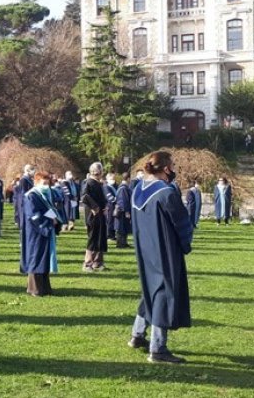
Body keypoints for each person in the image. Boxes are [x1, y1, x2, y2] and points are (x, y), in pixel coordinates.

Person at [128, 151, 193, 364]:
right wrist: (185, 244)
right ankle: (158, 348)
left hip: (145, 250)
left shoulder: (138, 190)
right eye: (172, 165)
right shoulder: (166, 193)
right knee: (164, 293)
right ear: (165, 168)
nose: (173, 169)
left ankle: (137, 335)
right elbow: (182, 223)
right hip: (165, 250)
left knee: (151, 289)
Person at [21, 171, 61, 297]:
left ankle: (45, 287)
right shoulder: (31, 196)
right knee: (36, 257)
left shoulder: (44, 195)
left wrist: (55, 219)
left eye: (48, 183)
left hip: (45, 231)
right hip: (35, 232)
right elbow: (33, 215)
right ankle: (34, 288)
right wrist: (48, 222)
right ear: (36, 182)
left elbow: (48, 210)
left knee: (44, 258)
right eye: (44, 183)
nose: (46, 186)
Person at [81, 162, 108, 272]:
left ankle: (98, 262)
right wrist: (95, 207)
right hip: (93, 215)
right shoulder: (88, 182)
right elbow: (84, 196)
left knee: (101, 238)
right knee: (93, 238)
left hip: (101, 214)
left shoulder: (98, 183)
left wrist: (105, 206)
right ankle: (87, 263)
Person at [115, 173, 133, 248]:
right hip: (122, 211)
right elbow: (124, 200)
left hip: (123, 211)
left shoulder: (124, 187)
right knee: (121, 228)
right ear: (128, 179)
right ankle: (120, 243)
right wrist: (126, 211)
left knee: (125, 227)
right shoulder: (123, 188)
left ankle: (124, 242)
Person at [104, 173, 118, 241]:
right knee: (109, 221)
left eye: (113, 179)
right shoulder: (106, 187)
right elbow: (109, 196)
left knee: (113, 221)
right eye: (111, 179)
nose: (113, 180)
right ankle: (108, 235)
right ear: (107, 179)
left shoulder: (114, 186)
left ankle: (113, 235)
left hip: (114, 206)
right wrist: (116, 200)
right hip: (109, 206)